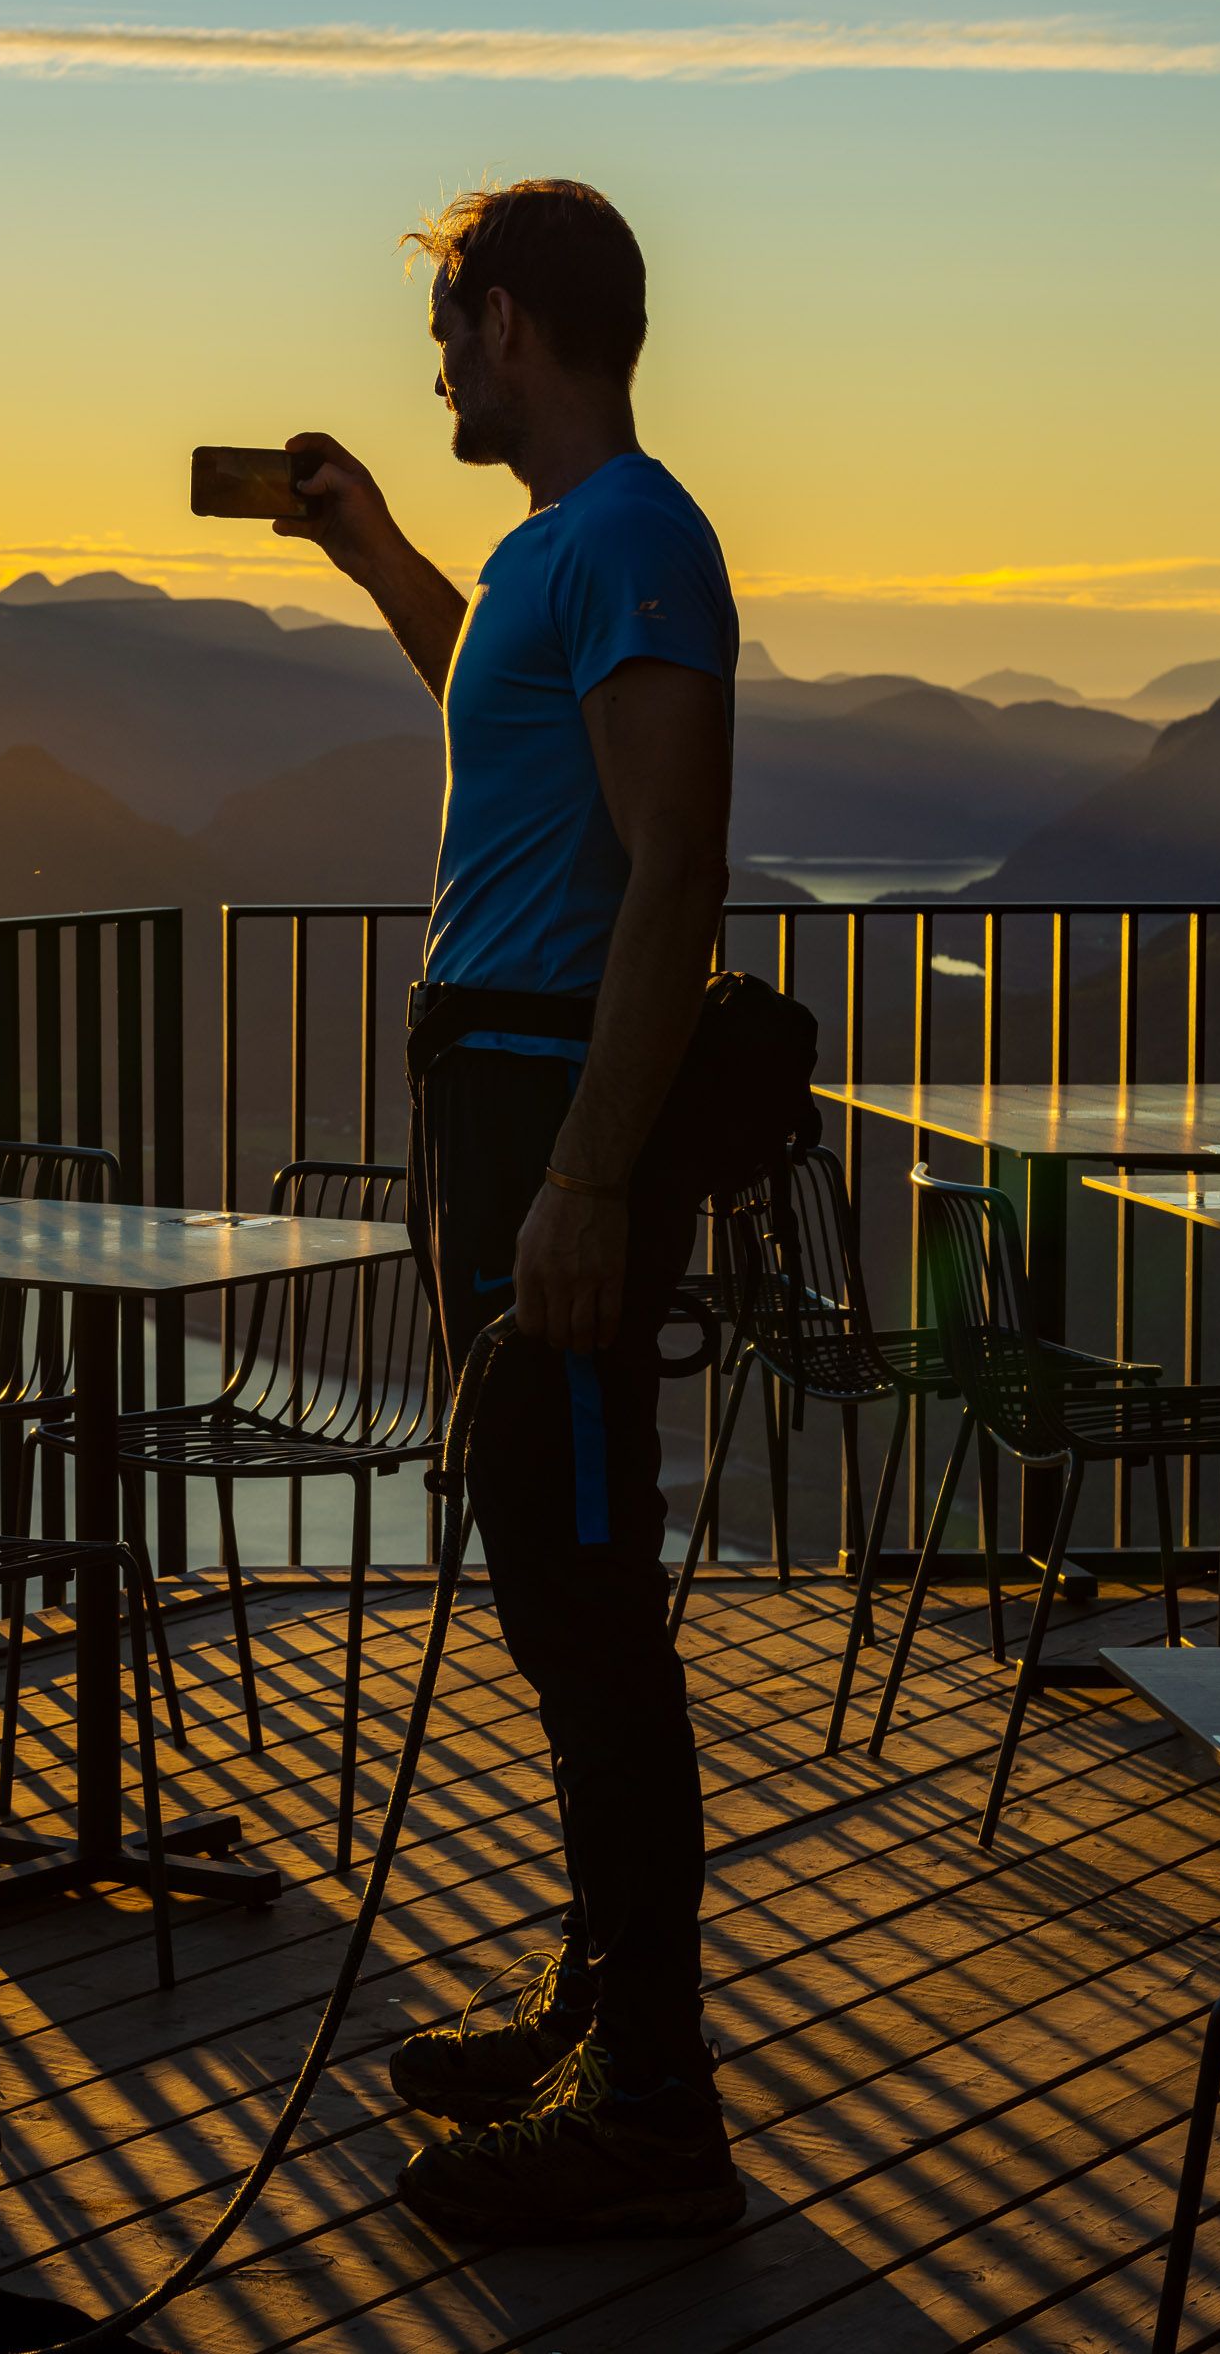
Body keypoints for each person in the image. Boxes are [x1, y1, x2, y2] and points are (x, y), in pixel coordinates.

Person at [275, 176, 741, 2244]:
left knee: (584, 1604)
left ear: (526, 330)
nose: (437, 362)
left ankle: (654, 2101)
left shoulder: (636, 538)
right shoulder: (559, 555)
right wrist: (373, 547)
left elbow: (671, 871)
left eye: (455, 330)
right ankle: (600, 2000)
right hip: (495, 1092)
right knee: (554, 1593)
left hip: (547, 1100)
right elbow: (498, 699)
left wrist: (576, 1177)